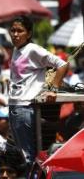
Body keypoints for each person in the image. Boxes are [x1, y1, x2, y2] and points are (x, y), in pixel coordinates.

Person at [8, 16, 69, 165]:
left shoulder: (32, 50)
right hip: (15, 106)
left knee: (29, 157)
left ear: (28, 34)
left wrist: (53, 88)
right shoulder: (17, 50)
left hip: (25, 108)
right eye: (13, 30)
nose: (15, 34)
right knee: (24, 155)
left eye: (20, 31)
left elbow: (62, 64)